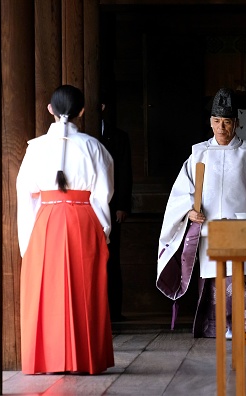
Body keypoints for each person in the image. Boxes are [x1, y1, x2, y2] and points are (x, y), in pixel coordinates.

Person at [156, 87, 246, 338]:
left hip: (241, 228)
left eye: (227, 122)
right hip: (209, 228)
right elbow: (182, 192)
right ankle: (218, 326)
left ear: (236, 124)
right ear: (210, 123)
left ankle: (245, 325)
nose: (222, 127)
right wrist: (190, 211)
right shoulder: (198, 154)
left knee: (240, 275)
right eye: (217, 121)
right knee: (214, 278)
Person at [16, 84, 115, 375]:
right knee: (86, 287)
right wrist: (103, 229)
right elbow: (103, 192)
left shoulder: (35, 148)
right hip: (84, 218)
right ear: (81, 112)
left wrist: (29, 237)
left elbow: (25, 193)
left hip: (46, 220)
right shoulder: (94, 147)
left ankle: (49, 358)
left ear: (50, 110)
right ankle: (85, 359)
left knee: (46, 290)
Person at [100, 91, 133, 322]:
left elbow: (124, 173)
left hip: (112, 206)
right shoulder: (83, 137)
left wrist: (122, 204)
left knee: (112, 257)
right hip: (86, 206)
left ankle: (114, 310)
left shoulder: (118, 136)